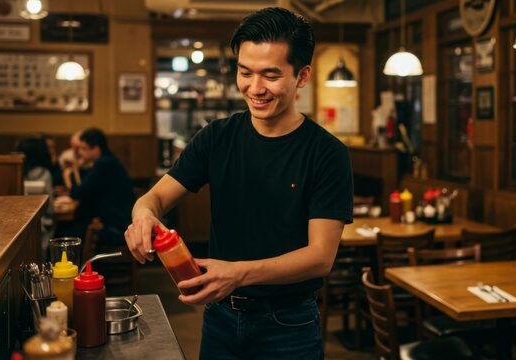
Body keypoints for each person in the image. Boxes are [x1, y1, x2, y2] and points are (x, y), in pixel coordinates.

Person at [124, 7, 352, 359]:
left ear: (302, 76)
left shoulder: (326, 153)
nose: (255, 88)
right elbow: (153, 199)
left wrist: (239, 274)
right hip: (220, 317)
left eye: (271, 75)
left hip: (289, 323)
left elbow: (320, 257)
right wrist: (142, 217)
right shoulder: (217, 137)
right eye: (245, 72)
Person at [55, 128, 135, 247]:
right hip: (114, 221)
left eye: (83, 149)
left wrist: (74, 169)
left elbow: (77, 193)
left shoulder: (105, 164)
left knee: (64, 234)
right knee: (68, 226)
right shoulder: (106, 160)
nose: (80, 153)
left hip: (116, 226)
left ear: (96, 149)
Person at [16, 135, 56, 258]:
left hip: (19, 228)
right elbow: (50, 209)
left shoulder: (16, 173)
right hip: (44, 228)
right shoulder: (45, 174)